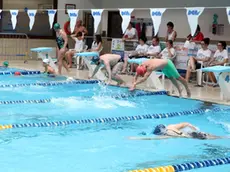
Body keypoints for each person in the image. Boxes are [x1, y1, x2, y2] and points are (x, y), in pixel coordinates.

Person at [128, 123, 229, 140]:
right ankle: (225, 137)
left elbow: (150, 138)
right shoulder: (171, 127)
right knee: (214, 136)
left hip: (191, 136)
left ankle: (225, 137)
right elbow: (185, 123)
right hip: (191, 133)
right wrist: (195, 128)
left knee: (208, 137)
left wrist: (135, 138)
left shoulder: (167, 135)